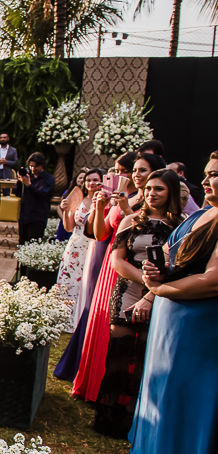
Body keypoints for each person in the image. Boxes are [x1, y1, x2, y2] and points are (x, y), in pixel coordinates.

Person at [124, 166, 218, 454]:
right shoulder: (203, 215)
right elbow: (167, 256)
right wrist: (153, 277)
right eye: (207, 174)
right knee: (158, 389)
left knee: (185, 396)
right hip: (168, 317)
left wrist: (162, 288)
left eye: (215, 174)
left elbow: (212, 280)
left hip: (200, 323)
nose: (205, 180)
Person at [92, 167, 182, 438]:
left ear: (171, 193)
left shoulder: (181, 225)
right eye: (149, 188)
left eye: (159, 189)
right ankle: (108, 417)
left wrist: (156, 291)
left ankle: (133, 420)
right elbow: (117, 260)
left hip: (161, 298)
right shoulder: (130, 220)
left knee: (144, 358)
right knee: (117, 355)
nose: (152, 193)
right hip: (128, 291)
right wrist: (148, 283)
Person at [73, 153, 156, 402]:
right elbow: (100, 234)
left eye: (141, 170)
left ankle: (111, 391)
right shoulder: (127, 197)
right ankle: (92, 385)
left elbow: (146, 234)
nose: (133, 175)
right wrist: (99, 206)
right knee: (100, 323)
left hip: (131, 268)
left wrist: (127, 209)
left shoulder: (149, 201)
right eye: (133, 170)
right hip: (111, 263)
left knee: (118, 332)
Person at [55, 153, 139, 381]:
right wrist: (71, 210)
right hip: (87, 245)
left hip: (103, 251)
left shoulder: (130, 200)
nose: (120, 174)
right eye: (117, 169)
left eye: (124, 170)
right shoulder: (86, 197)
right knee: (74, 288)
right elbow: (81, 227)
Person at [56, 169, 104, 326]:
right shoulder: (79, 199)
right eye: (88, 180)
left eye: (95, 180)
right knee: (70, 281)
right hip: (76, 245)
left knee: (86, 281)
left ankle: (83, 318)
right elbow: (69, 227)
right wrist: (66, 210)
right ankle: (65, 318)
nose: (91, 183)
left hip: (93, 245)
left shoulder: (105, 202)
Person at [17, 152, 55, 244]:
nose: (33, 169)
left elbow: (41, 195)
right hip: (24, 215)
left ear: (42, 165)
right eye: (31, 166)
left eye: (36, 166)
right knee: (22, 244)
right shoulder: (29, 177)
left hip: (38, 217)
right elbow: (17, 192)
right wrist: (20, 180)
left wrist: (29, 185)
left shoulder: (48, 179)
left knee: (33, 243)